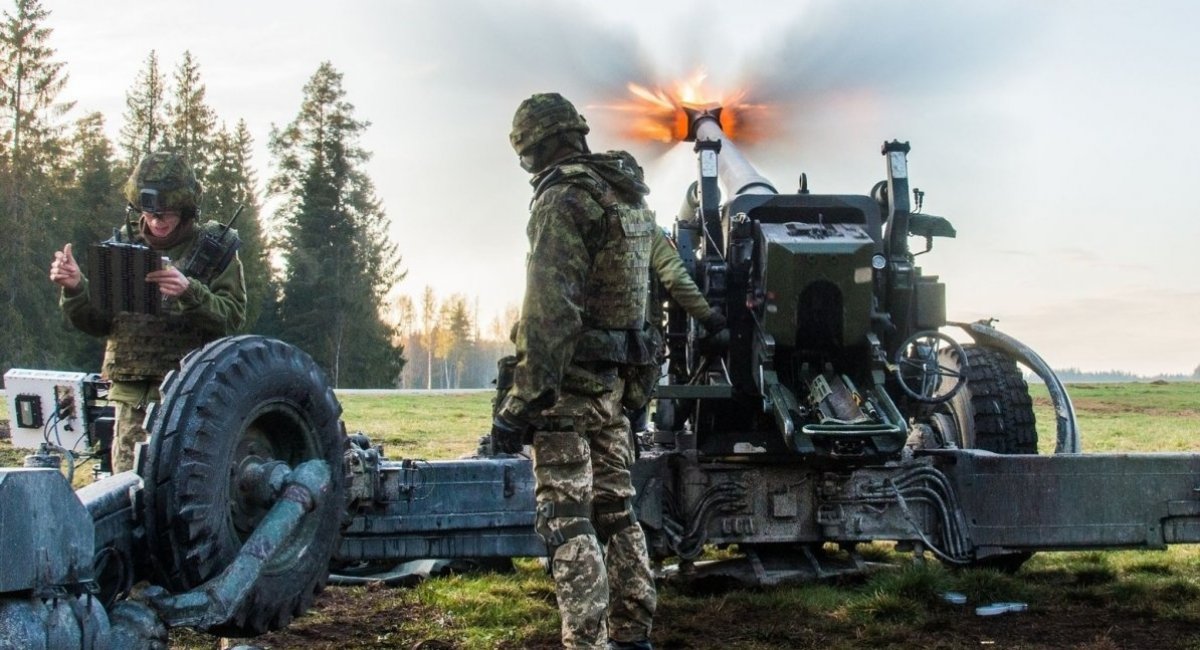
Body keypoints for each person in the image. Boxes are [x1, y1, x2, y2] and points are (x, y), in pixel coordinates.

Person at [492, 93, 658, 650]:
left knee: (567, 517)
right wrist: (638, 392)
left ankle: (587, 641)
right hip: (615, 387)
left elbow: (549, 313)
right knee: (617, 510)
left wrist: (520, 405)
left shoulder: (564, 198)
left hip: (565, 391)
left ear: (537, 148)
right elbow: (644, 311)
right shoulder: (629, 199)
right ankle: (635, 632)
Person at [49, 151, 246, 472]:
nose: (157, 219)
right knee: (129, 493)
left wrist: (189, 292)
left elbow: (232, 319)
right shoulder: (123, 247)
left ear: (186, 207)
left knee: (187, 489)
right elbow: (99, 322)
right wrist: (75, 287)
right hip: (133, 398)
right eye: (149, 210)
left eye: (166, 211)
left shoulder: (215, 249)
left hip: (192, 396)